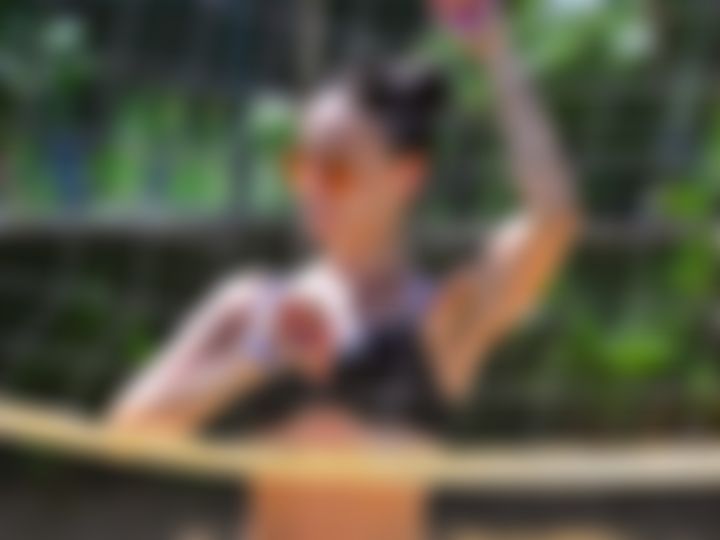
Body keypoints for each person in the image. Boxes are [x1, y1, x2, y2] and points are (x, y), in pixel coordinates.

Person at [108, 1, 580, 538]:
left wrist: (496, 51)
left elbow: (554, 219)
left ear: (406, 177)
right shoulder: (254, 304)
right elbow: (126, 437)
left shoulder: (444, 315)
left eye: (335, 169)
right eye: (300, 165)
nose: (311, 188)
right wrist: (254, 359)